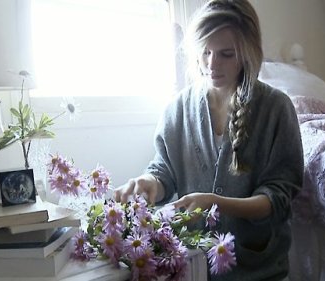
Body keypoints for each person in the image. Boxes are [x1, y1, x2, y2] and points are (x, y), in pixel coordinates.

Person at [114, 0, 303, 280]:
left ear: (247, 54)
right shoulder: (177, 109)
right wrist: (149, 183)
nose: (211, 65)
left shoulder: (276, 108)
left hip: (256, 269)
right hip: (192, 268)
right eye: (204, 52)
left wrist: (216, 202)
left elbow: (278, 198)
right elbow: (163, 171)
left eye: (226, 54)